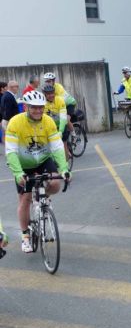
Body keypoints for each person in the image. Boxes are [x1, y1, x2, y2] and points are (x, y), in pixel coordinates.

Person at [5, 90, 69, 253]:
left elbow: (57, 147)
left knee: (56, 183)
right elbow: (11, 152)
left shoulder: (48, 121)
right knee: (25, 199)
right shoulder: (15, 123)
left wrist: (64, 168)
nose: (38, 111)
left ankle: (43, 197)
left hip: (43, 160)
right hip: (23, 164)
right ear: (26, 107)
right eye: (34, 107)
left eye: (41, 107)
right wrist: (18, 173)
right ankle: (25, 235)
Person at [42, 83, 70, 158]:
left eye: (52, 93)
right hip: (50, 127)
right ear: (44, 94)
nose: (51, 95)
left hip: (60, 125)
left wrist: (60, 131)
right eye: (48, 94)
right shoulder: (42, 103)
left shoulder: (60, 100)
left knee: (63, 145)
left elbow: (63, 117)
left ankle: (66, 163)